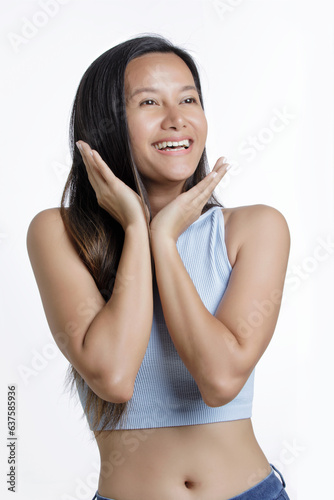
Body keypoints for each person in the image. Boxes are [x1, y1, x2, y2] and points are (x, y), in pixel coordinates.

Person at [26, 34, 291, 500]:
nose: (177, 119)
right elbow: (112, 376)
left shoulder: (255, 228)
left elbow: (220, 379)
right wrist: (134, 227)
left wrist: (164, 240)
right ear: (107, 122)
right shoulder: (60, 232)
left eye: (188, 98)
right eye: (149, 101)